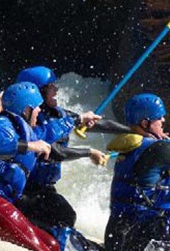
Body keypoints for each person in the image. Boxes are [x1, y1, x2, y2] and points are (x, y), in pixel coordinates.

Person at [0, 81, 73, 251]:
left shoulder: (25, 130)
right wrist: (30, 146)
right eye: (37, 108)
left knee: (52, 245)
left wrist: (78, 120)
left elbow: (50, 131)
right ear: (26, 110)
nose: (40, 111)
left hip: (0, 200)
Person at [13, 65, 126, 229]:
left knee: (65, 215)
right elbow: (53, 151)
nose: (56, 89)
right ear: (39, 91)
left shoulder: (59, 114)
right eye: (52, 86)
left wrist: (136, 130)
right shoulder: (28, 121)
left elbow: (98, 124)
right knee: (65, 215)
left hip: (44, 188)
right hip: (24, 188)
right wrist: (88, 152)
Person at [104, 93, 170, 251]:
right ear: (145, 123)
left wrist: (162, 143)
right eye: (159, 118)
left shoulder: (129, 146)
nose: (163, 121)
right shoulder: (159, 149)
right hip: (141, 233)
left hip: (114, 232)